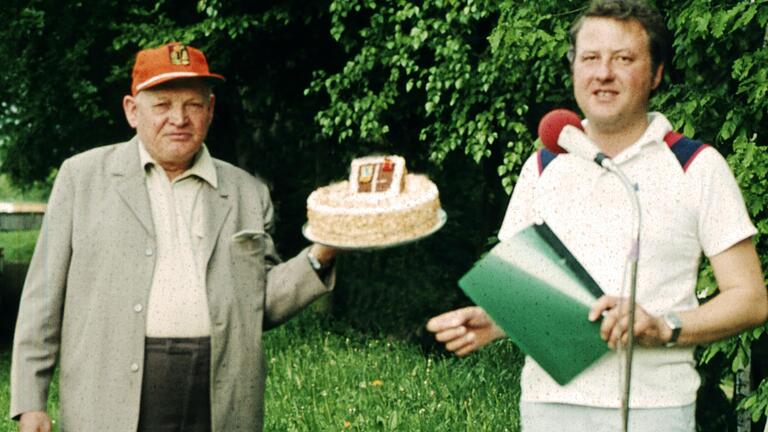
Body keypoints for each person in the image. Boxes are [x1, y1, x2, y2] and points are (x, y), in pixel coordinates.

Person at [427, 1, 767, 431]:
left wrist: (664, 327)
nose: (603, 73)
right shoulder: (544, 166)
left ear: (657, 73)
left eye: (623, 59)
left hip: (653, 411)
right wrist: (496, 321)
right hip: (548, 406)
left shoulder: (696, 166)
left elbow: (751, 299)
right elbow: (528, 293)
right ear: (574, 69)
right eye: (590, 58)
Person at [10, 42, 339, 431]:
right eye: (162, 105)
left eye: (193, 105)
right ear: (133, 111)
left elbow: (257, 304)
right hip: (107, 396)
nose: (179, 118)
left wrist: (323, 250)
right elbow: (42, 299)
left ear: (211, 111)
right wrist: (31, 401)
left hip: (219, 396)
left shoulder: (248, 192)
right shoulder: (81, 179)